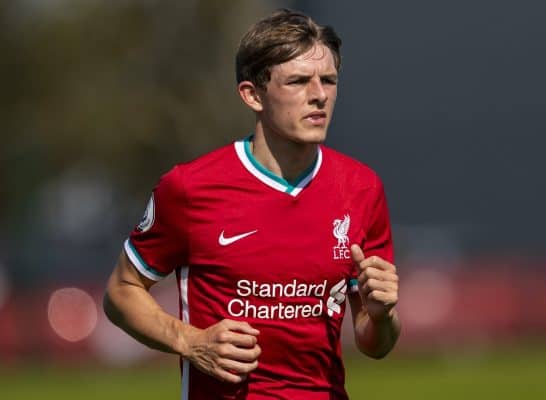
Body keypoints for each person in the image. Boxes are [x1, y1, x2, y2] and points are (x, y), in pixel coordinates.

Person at [103, 8, 400, 400]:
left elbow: (373, 343)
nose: (319, 95)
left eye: (328, 80)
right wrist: (191, 342)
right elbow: (121, 292)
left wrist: (384, 317)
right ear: (252, 94)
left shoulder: (361, 188)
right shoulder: (190, 188)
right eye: (297, 81)